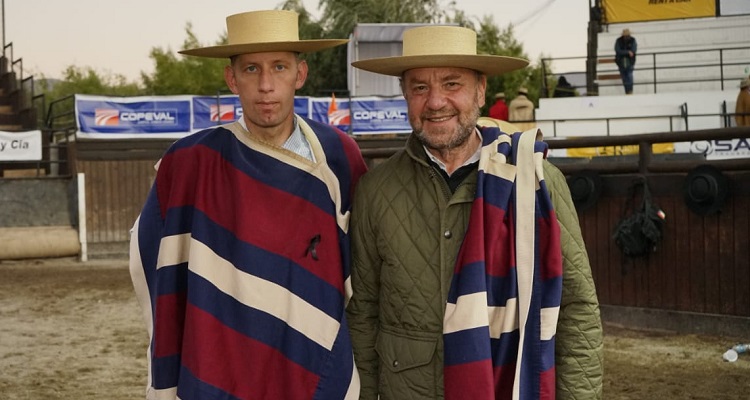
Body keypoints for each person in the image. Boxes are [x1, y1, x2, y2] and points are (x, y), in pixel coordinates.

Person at [348, 25, 603, 400]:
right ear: (405, 94)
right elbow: (363, 315)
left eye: (452, 84)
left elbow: (577, 307)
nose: (435, 102)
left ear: (480, 90)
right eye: (420, 87)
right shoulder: (375, 190)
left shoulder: (537, 180)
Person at [128, 10, 366, 400]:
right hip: (220, 364)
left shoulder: (338, 157)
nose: (266, 85)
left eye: (279, 67)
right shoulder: (192, 162)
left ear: (300, 74)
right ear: (231, 78)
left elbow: (361, 270)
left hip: (312, 359)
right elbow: (156, 259)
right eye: (251, 69)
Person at [614, 28, 637, 94]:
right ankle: (628, 91)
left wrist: (625, 52)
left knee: (629, 76)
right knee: (625, 77)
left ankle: (629, 91)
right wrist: (628, 52)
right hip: (622, 62)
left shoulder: (632, 40)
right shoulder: (619, 41)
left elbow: (633, 50)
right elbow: (617, 50)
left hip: (628, 61)